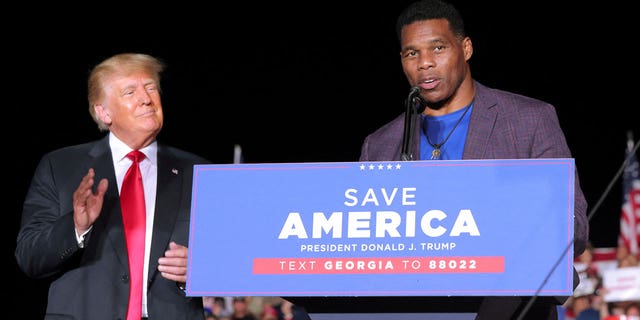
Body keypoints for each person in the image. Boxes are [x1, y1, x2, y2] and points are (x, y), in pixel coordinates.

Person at [358, 1, 589, 319]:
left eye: (437, 48)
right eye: (412, 53)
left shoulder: (528, 121)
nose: (425, 63)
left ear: (465, 48)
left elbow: (573, 224)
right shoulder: (380, 146)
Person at [15, 53, 209, 319]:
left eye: (151, 87)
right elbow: (30, 257)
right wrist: (76, 226)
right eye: (130, 92)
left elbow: (237, 254)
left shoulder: (199, 172)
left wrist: (205, 268)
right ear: (103, 112)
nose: (146, 99)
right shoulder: (59, 167)